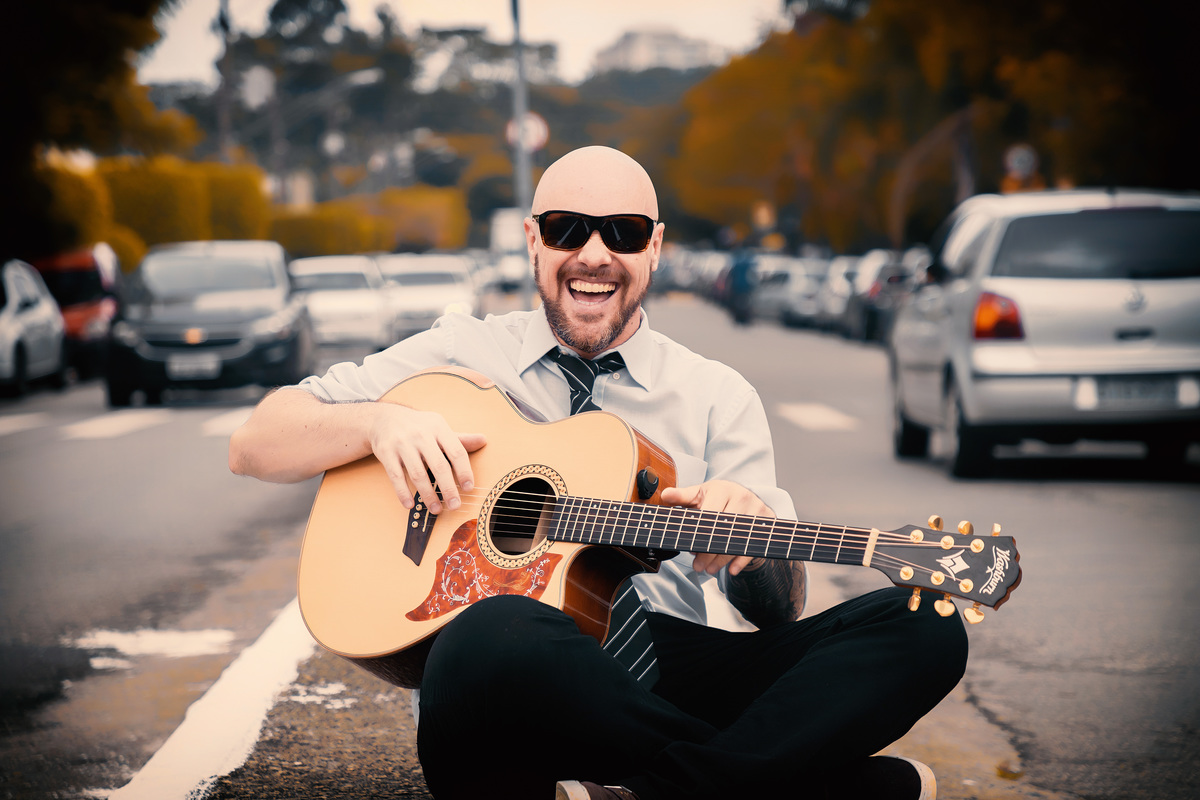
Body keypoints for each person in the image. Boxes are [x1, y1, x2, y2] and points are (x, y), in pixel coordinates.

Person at [229, 146, 967, 800]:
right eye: (565, 228)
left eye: (623, 232)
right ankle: (789, 783)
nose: (593, 253)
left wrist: (753, 542)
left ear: (654, 249)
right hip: (514, 688)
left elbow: (777, 613)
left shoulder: (716, 394)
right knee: (493, 629)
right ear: (532, 240)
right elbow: (256, 443)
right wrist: (379, 421)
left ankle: (667, 788)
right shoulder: (457, 354)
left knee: (929, 620)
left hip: (678, 667)